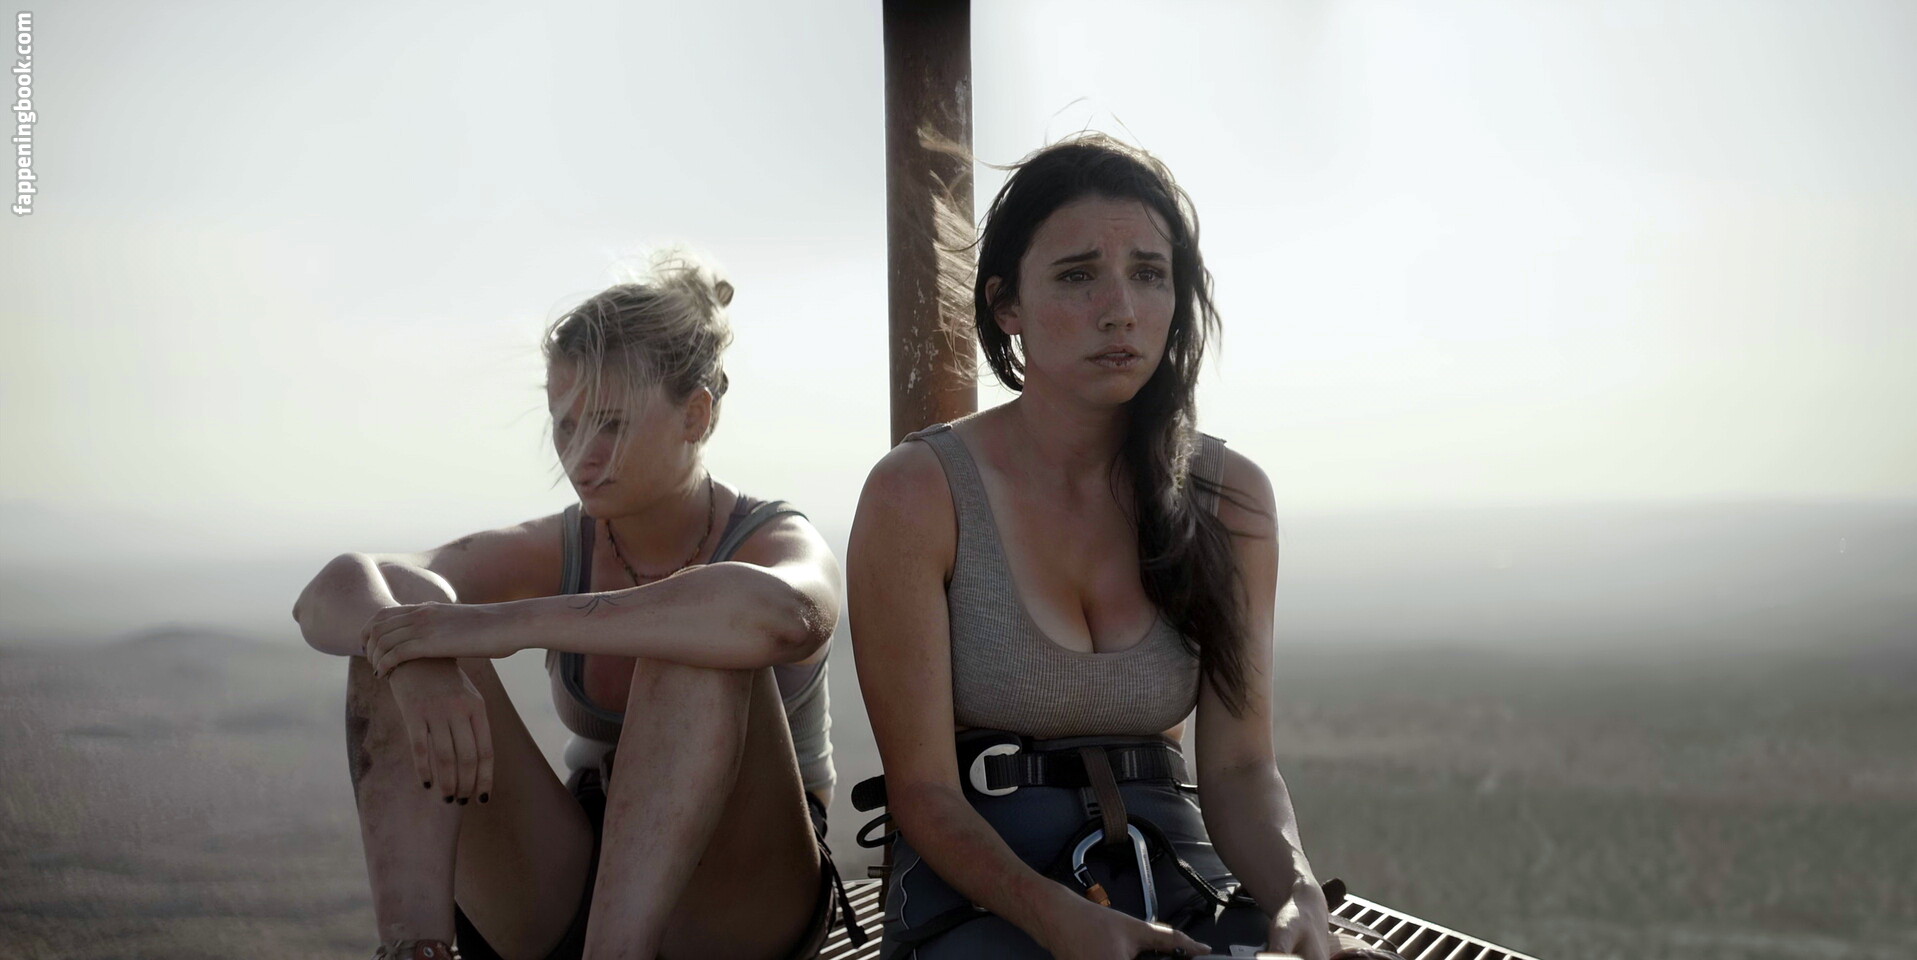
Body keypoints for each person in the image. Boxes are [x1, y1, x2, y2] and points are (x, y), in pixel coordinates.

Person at [848, 135, 1382, 960]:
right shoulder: (919, 493)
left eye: (1149, 274)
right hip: (985, 896)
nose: (1120, 309)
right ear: (1006, 306)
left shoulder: (1229, 497)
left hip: (1180, 877)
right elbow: (922, 793)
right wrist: (1058, 918)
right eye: (1077, 275)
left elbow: (1240, 769)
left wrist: (1297, 897)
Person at [293, 251, 857, 960]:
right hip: (586, 869)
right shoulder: (566, 542)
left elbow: (786, 616)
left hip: (745, 890)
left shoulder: (774, 535)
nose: (580, 456)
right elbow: (331, 595)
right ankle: (415, 949)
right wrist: (419, 664)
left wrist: (499, 624)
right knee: (397, 625)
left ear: (695, 415)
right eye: (565, 424)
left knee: (698, 636)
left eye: (611, 424)